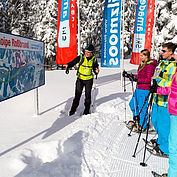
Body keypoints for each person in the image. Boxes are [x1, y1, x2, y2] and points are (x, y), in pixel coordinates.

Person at [151, 46, 177, 177]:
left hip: (169, 104)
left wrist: (158, 84)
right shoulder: (165, 64)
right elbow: (171, 87)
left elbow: (170, 85)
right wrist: (156, 86)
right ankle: (162, 142)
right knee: (156, 121)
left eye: (164, 51)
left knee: (173, 143)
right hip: (165, 102)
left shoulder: (173, 66)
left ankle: (165, 148)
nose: (162, 53)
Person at [123, 49, 157, 132]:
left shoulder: (150, 65)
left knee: (143, 107)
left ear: (146, 56)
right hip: (138, 88)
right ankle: (137, 119)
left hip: (144, 89)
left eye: (142, 55)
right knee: (132, 104)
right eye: (140, 55)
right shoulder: (142, 63)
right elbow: (140, 75)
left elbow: (148, 79)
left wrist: (137, 79)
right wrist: (130, 75)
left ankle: (142, 125)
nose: (140, 57)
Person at [65, 44, 99, 116]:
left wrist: (96, 70)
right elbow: (73, 62)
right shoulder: (81, 57)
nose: (86, 53)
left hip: (89, 80)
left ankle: (86, 111)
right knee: (77, 95)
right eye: (86, 52)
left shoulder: (94, 59)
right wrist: (68, 65)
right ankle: (72, 110)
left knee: (88, 96)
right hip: (80, 79)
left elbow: (95, 67)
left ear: (92, 53)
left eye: (88, 52)